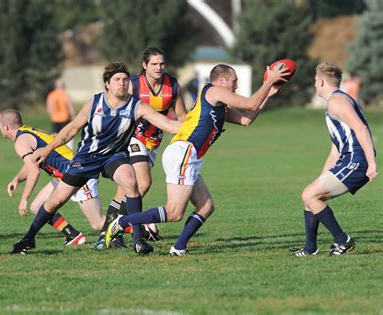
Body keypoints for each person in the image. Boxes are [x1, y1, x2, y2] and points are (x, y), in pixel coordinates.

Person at [105, 63, 289, 255]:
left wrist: (268, 94)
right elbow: (250, 102)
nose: (236, 85)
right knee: (174, 212)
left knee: (206, 206)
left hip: (187, 154)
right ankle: (121, 222)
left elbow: (246, 119)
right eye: (234, 81)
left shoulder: (219, 104)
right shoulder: (214, 91)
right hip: (184, 151)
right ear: (222, 80)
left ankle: (178, 248)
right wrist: (268, 81)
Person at [11, 62, 181, 255]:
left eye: (125, 80)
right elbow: (72, 129)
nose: (122, 84)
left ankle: (138, 241)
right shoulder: (95, 103)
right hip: (86, 158)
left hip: (114, 157)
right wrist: (48, 149)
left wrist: (197, 124)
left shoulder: (137, 106)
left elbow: (168, 124)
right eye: (117, 80)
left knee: (130, 182)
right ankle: (28, 239)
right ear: (107, 84)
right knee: (56, 200)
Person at [94, 47, 187, 249]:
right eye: (154, 64)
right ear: (144, 66)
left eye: (161, 63)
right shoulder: (134, 85)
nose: (158, 67)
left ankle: (106, 234)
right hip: (133, 139)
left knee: (126, 188)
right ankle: (120, 227)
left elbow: (182, 117)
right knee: (143, 183)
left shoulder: (172, 86)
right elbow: (114, 104)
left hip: (153, 142)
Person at [291, 62, 377, 257]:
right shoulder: (335, 101)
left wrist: (371, 163)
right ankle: (310, 248)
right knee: (311, 197)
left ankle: (342, 240)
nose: (314, 84)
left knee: (309, 195)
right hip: (348, 159)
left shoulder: (336, 102)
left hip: (357, 161)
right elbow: (335, 150)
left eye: (315, 80)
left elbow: (361, 129)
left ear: (321, 82)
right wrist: (322, 178)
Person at [0, 109, 106, 248]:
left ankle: (138, 226)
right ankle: (72, 234)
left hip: (77, 174)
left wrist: (24, 199)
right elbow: (33, 161)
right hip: (64, 175)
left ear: (6, 127)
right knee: (37, 206)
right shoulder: (30, 131)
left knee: (98, 223)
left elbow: (34, 171)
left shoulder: (20, 141)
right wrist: (17, 178)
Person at [46, 79, 76, 148]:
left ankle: (56, 150)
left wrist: (52, 116)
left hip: (55, 119)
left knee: (54, 136)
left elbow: (49, 108)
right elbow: (70, 107)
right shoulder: (65, 94)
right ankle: (69, 151)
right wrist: (74, 118)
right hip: (65, 118)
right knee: (67, 135)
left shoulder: (51, 95)